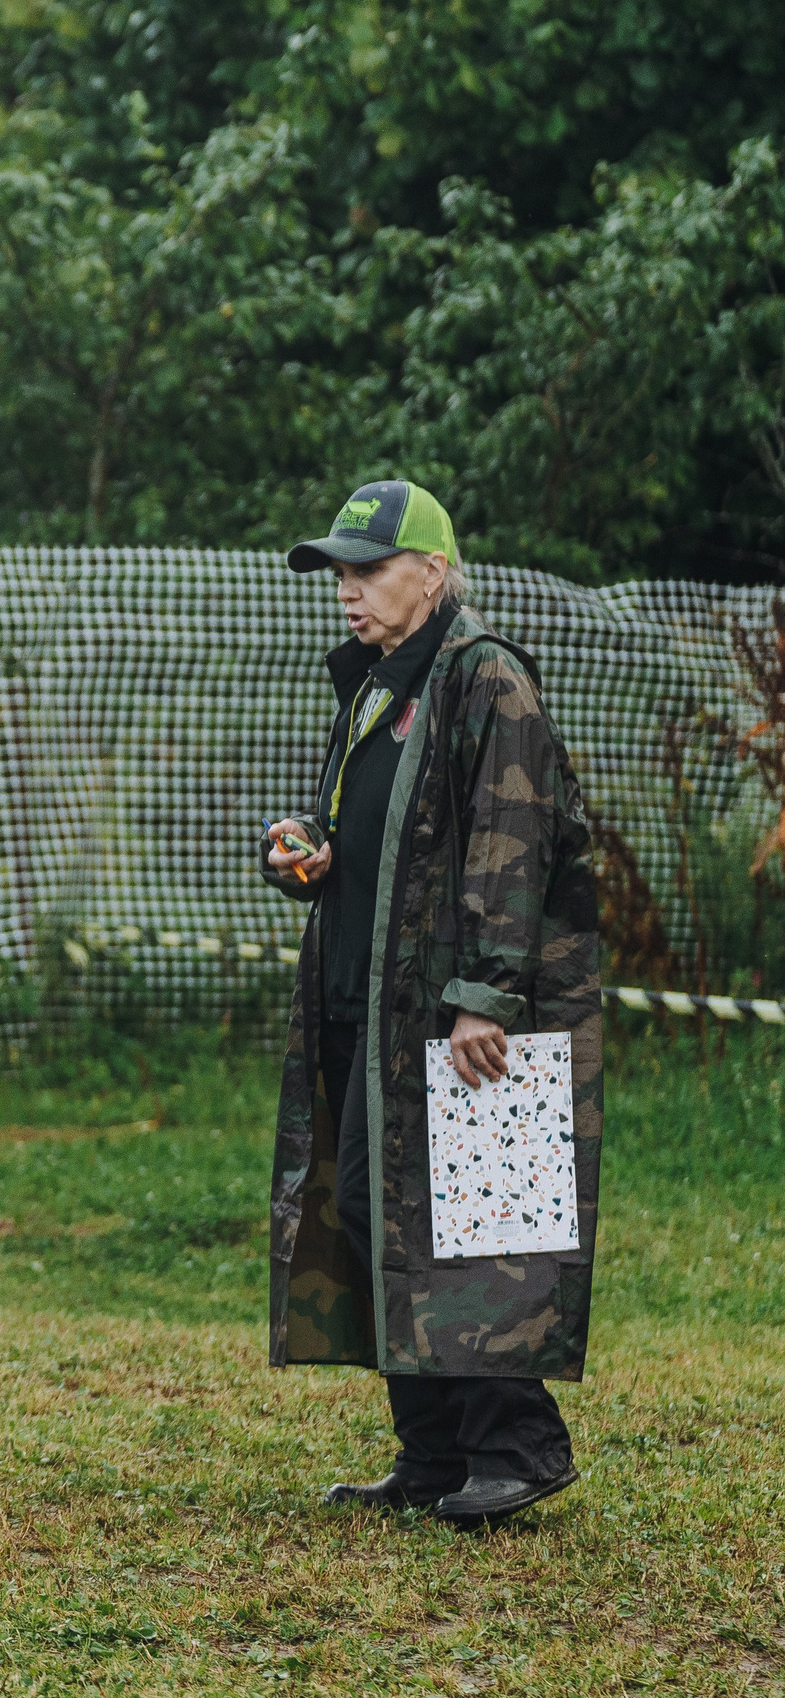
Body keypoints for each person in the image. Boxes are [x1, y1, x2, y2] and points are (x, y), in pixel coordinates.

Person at [259, 479, 601, 1527]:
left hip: (467, 1013)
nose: (348, 593)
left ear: (432, 574)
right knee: (378, 1214)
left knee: (478, 1222)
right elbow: (385, 834)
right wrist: (312, 858)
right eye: (340, 574)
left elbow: (513, 842)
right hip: (374, 1004)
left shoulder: (483, 676)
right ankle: (431, 1458)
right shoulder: (376, 685)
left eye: (367, 570)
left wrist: (485, 996)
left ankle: (519, 1446)